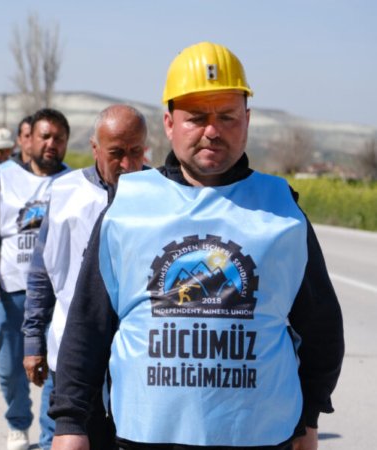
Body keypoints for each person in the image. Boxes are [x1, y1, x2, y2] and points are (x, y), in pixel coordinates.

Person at [50, 42, 345, 450]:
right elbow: (88, 323)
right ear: (170, 124)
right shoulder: (128, 206)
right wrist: (70, 422)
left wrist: (310, 416)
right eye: (197, 118)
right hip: (145, 436)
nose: (212, 130)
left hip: (260, 437)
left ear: (247, 120)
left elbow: (321, 327)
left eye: (226, 116)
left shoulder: (282, 209)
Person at [23, 105, 148, 450]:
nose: (127, 164)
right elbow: (42, 275)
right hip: (73, 358)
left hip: (141, 364)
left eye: (136, 152)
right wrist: (34, 341)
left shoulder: (161, 197)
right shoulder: (65, 194)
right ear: (95, 148)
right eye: (116, 154)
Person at [0, 108, 71, 450]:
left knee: (55, 367)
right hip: (11, 292)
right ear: (30, 139)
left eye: (58, 138)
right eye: (45, 136)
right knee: (10, 367)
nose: (51, 144)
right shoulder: (7, 177)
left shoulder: (74, 184)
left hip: (56, 296)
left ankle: (46, 440)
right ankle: (17, 422)